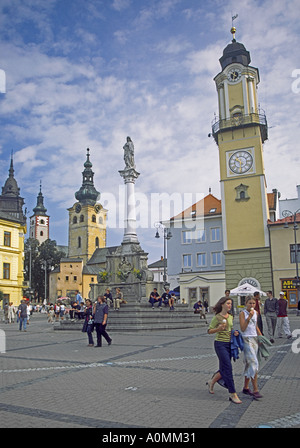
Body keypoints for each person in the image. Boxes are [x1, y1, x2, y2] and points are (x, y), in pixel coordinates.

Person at [207, 296, 242, 404]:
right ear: (222, 304)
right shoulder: (217, 317)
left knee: (223, 368)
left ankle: (211, 382)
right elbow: (209, 330)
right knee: (228, 367)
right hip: (220, 344)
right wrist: (218, 329)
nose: (229, 305)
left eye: (230, 304)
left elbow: (230, 329)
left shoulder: (230, 316)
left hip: (229, 344)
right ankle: (232, 393)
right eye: (228, 303)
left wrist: (234, 333)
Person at [239, 296, 263, 399]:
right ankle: (255, 389)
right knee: (254, 363)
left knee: (249, 363)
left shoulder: (256, 313)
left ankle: (245, 387)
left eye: (253, 303)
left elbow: (255, 326)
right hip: (246, 339)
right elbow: (243, 328)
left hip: (254, 339)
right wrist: (248, 318)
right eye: (250, 303)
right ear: (246, 303)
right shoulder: (242, 313)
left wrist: (260, 336)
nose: (252, 305)